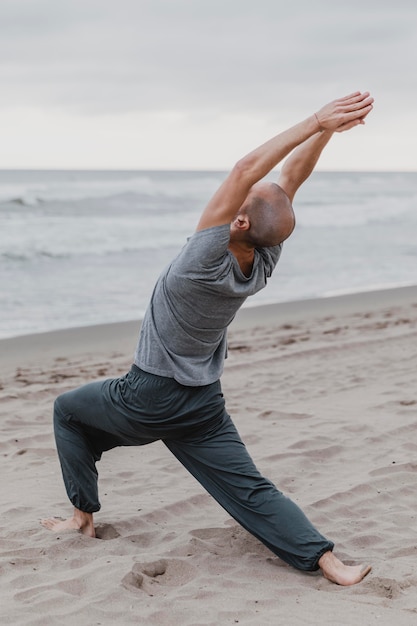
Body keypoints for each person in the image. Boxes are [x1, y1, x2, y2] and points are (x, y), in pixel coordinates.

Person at [42, 91, 374, 586]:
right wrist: (327, 132)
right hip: (201, 403)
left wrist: (314, 119)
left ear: (239, 221)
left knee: (67, 410)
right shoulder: (263, 259)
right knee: (248, 487)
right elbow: (290, 181)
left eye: (239, 203)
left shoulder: (200, 263)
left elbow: (245, 169)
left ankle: (82, 519)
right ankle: (330, 564)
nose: (234, 197)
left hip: (147, 397)